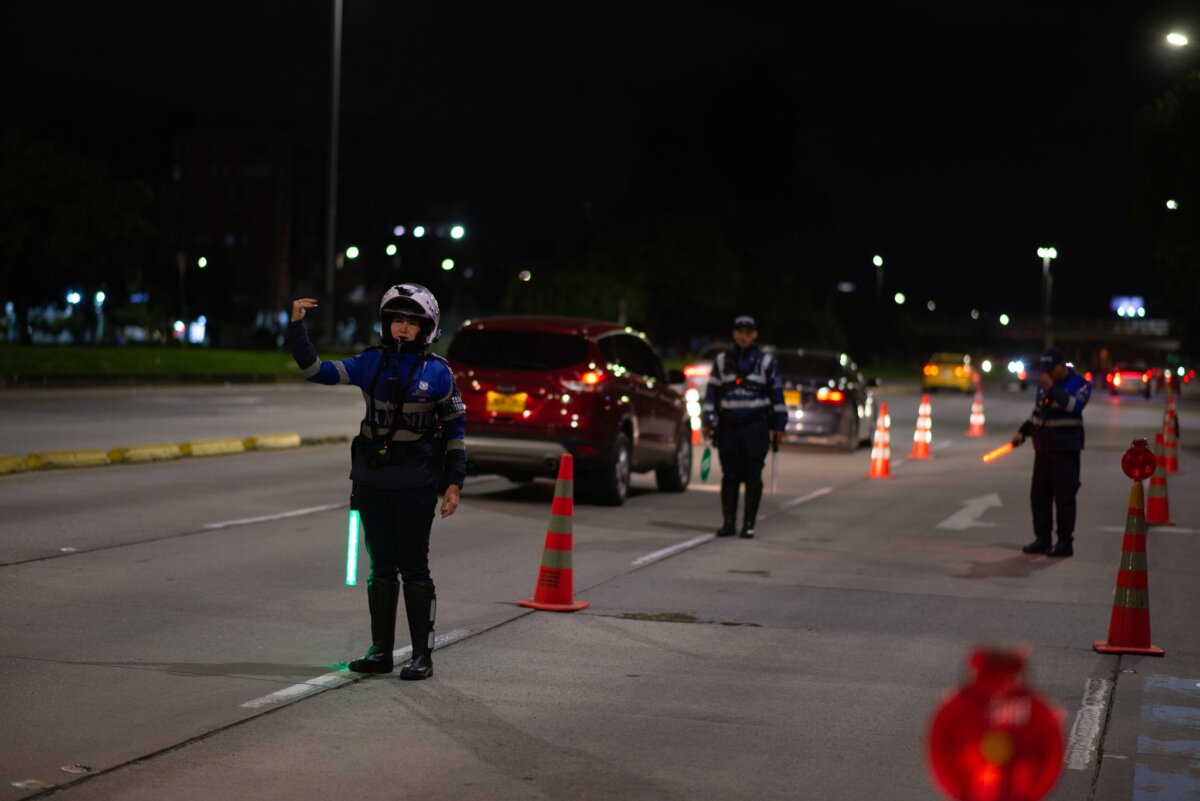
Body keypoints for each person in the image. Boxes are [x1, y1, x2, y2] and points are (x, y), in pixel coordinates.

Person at [289, 284, 466, 679]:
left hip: (417, 482)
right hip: (372, 480)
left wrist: (454, 483)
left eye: (412, 323)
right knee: (380, 567)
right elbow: (316, 371)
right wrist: (297, 327)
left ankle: (423, 655)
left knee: (414, 568)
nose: (403, 329)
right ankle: (380, 652)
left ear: (427, 328)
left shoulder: (439, 372)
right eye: (397, 321)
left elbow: (455, 433)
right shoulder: (371, 363)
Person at [700, 315, 788, 538]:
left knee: (753, 474)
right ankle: (729, 522)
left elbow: (777, 394)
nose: (744, 336)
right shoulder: (722, 362)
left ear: (755, 335)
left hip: (755, 426)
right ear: (733, 333)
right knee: (729, 475)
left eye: (748, 331)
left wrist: (779, 425)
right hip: (729, 425)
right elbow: (712, 394)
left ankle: (749, 523)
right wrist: (707, 421)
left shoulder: (766, 362)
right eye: (739, 331)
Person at [1012, 347, 1091, 558]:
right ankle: (1042, 538)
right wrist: (1023, 432)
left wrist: (1052, 388)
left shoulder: (1080, 384)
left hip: (1065, 449)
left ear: (1061, 366)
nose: (1043, 373)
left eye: (1048, 369)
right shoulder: (1043, 385)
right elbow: (1039, 413)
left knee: (1064, 496)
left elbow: (1074, 406)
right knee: (1039, 496)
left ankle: (1065, 543)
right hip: (1044, 448)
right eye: (1042, 369)